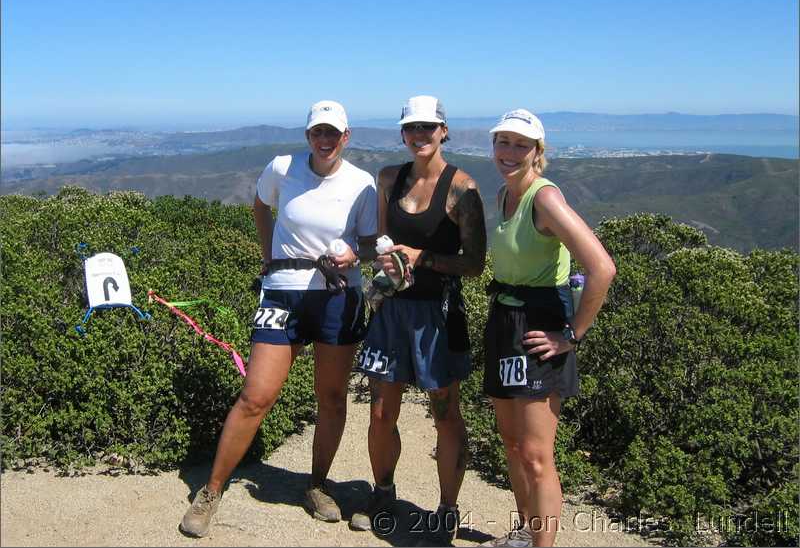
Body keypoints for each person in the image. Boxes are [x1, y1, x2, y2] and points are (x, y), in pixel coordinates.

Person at [180, 100, 378, 537]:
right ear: (307, 135)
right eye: (316, 133)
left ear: (346, 137)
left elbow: (369, 244)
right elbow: (259, 206)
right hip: (284, 292)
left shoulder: (362, 184)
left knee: (331, 398)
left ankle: (317, 485)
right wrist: (270, 258)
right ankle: (212, 490)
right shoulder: (282, 167)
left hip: (338, 296)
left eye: (333, 133)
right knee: (255, 396)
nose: (324, 140)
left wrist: (354, 254)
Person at [350, 95, 487, 545]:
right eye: (412, 128)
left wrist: (421, 257)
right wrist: (367, 257)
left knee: (445, 415)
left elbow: (474, 263)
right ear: (403, 133)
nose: (420, 135)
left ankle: (447, 509)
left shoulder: (462, 189)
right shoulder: (390, 178)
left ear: (444, 131)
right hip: (392, 309)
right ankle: (383, 493)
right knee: (381, 411)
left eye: (429, 127)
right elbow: (381, 241)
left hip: (438, 315)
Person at [479, 110, 616, 547]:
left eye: (521, 145)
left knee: (537, 455)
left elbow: (601, 268)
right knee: (512, 442)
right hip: (506, 320)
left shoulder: (544, 198)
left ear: (538, 152)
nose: (510, 152)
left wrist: (571, 335)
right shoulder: (503, 194)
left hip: (540, 326)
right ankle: (524, 533)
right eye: (504, 142)